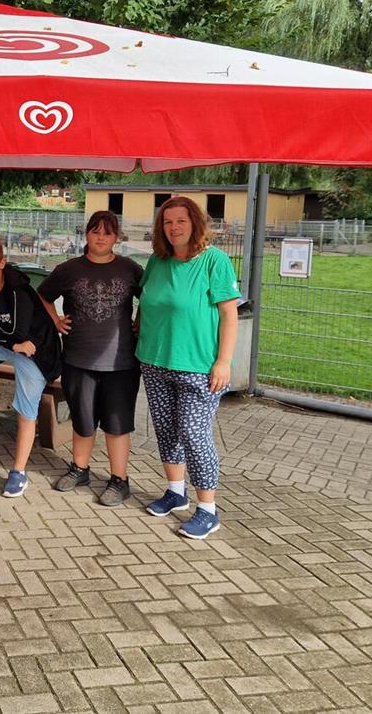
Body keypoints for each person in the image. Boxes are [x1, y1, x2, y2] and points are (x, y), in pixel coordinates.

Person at [136, 196, 240, 540]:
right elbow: (146, 300)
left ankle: (208, 509)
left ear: (195, 223)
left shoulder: (214, 261)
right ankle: (175, 491)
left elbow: (229, 315)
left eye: (181, 221)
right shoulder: (158, 260)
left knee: (194, 435)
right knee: (165, 430)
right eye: (167, 222)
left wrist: (223, 361)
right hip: (154, 360)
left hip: (198, 366)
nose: (174, 228)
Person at [37, 211, 144, 505]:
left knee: (117, 424)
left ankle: (119, 480)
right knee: (82, 421)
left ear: (116, 238)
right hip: (78, 359)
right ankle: (79, 468)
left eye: (107, 233)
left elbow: (151, 293)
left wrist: (141, 318)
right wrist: (56, 320)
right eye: (95, 231)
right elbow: (43, 294)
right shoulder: (69, 269)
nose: (100, 237)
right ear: (86, 234)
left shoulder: (129, 269)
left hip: (121, 362)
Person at [0, 237, 62, 499]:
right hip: (13, 346)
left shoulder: (18, 290)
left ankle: (18, 472)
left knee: (25, 412)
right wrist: (13, 345)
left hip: (37, 353)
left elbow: (19, 331)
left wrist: (15, 344)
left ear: (2, 262)